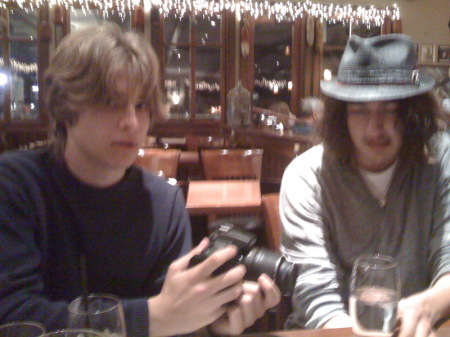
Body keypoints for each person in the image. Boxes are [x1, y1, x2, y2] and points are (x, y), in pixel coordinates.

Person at [0, 24, 280, 337]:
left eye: (141, 105)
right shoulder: (13, 185)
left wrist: (211, 321)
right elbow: (11, 315)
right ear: (66, 107)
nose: (131, 122)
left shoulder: (164, 202)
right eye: (110, 102)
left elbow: (176, 319)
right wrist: (152, 317)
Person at [280, 33, 450, 337]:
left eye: (391, 108)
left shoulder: (442, 159)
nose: (375, 128)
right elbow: (315, 295)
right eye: (359, 109)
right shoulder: (306, 176)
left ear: (413, 112)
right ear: (340, 115)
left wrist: (426, 306)